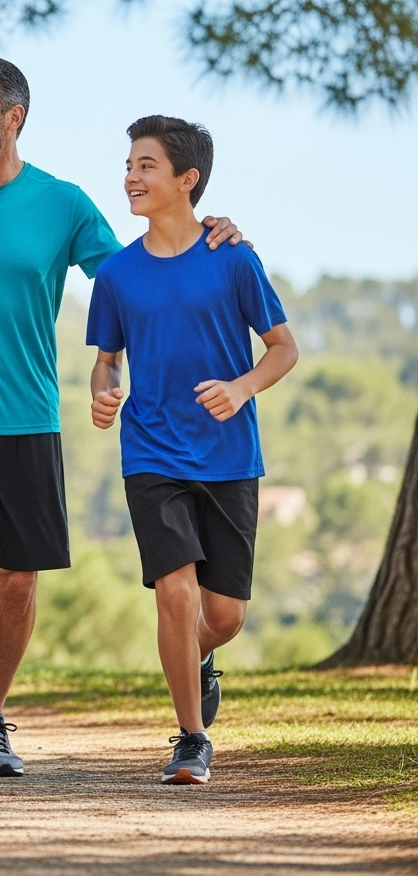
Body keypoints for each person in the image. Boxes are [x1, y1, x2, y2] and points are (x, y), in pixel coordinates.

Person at [0, 57, 247, 778]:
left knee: (17, 584)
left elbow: (137, 274)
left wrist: (209, 231)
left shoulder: (64, 203)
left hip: (27, 417)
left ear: (12, 117)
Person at [87, 115, 298, 784]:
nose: (130, 176)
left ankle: (196, 658)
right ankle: (190, 738)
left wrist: (240, 389)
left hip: (230, 454)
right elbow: (106, 360)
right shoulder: (117, 274)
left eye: (145, 165)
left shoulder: (233, 259)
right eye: (129, 164)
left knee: (224, 616)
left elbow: (284, 349)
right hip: (151, 450)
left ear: (187, 179)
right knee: (174, 594)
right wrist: (104, 390)